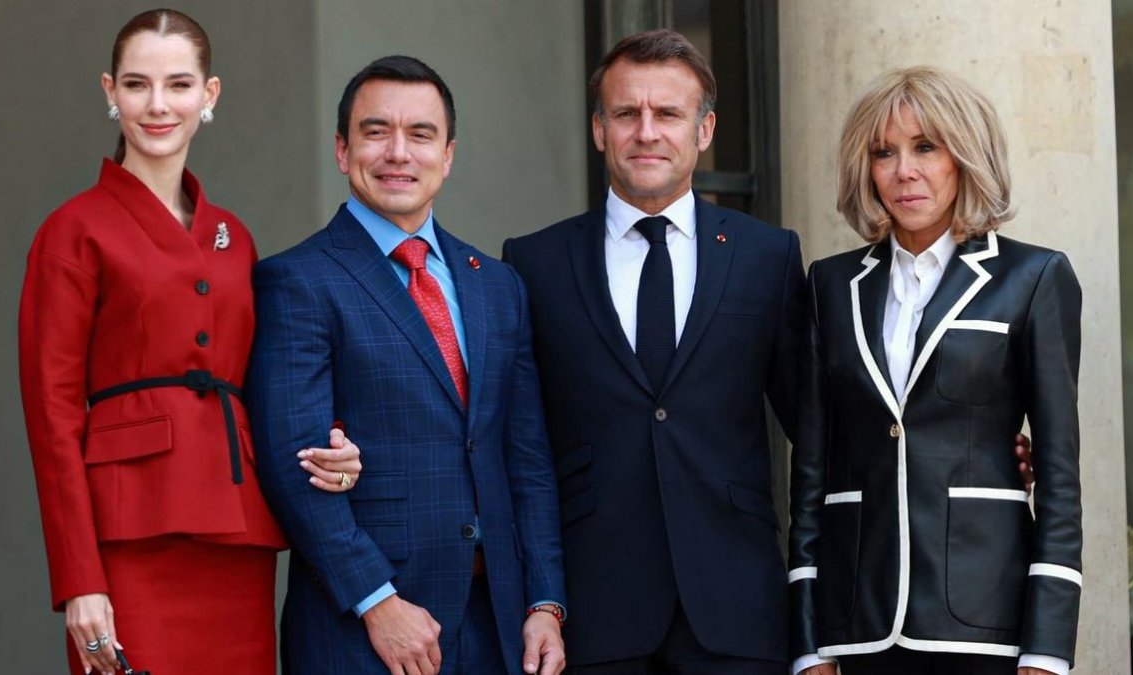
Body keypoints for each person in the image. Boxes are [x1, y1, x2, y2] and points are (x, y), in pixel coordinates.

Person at [18, 10, 357, 675]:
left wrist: (332, 439)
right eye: (138, 85)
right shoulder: (72, 231)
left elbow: (267, 382)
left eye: (178, 84)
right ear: (110, 91)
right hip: (128, 536)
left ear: (210, 96)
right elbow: (52, 414)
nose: (157, 104)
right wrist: (79, 579)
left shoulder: (234, 234)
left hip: (236, 530)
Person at [246, 55, 567, 675]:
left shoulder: (498, 285)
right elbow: (296, 465)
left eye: (420, 134)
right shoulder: (298, 281)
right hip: (365, 633)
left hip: (498, 627)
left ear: (447, 156)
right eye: (375, 131)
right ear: (343, 150)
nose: (399, 152)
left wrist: (545, 601)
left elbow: (526, 460)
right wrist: (377, 601)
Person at [502, 30, 801, 674]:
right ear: (598, 130)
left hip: (738, 609)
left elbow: (822, 427)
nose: (646, 131)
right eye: (625, 113)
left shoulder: (767, 257)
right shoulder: (534, 262)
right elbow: (518, 444)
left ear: (704, 130)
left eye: (667, 113)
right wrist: (543, 597)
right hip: (591, 612)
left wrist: (979, 443)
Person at [787, 66, 1082, 675]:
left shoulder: (1034, 278)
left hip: (983, 621)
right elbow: (812, 468)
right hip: (858, 623)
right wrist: (809, 641)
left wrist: (1047, 651)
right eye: (883, 153)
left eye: (926, 147)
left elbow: (1059, 478)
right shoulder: (831, 284)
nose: (904, 171)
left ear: (965, 157)